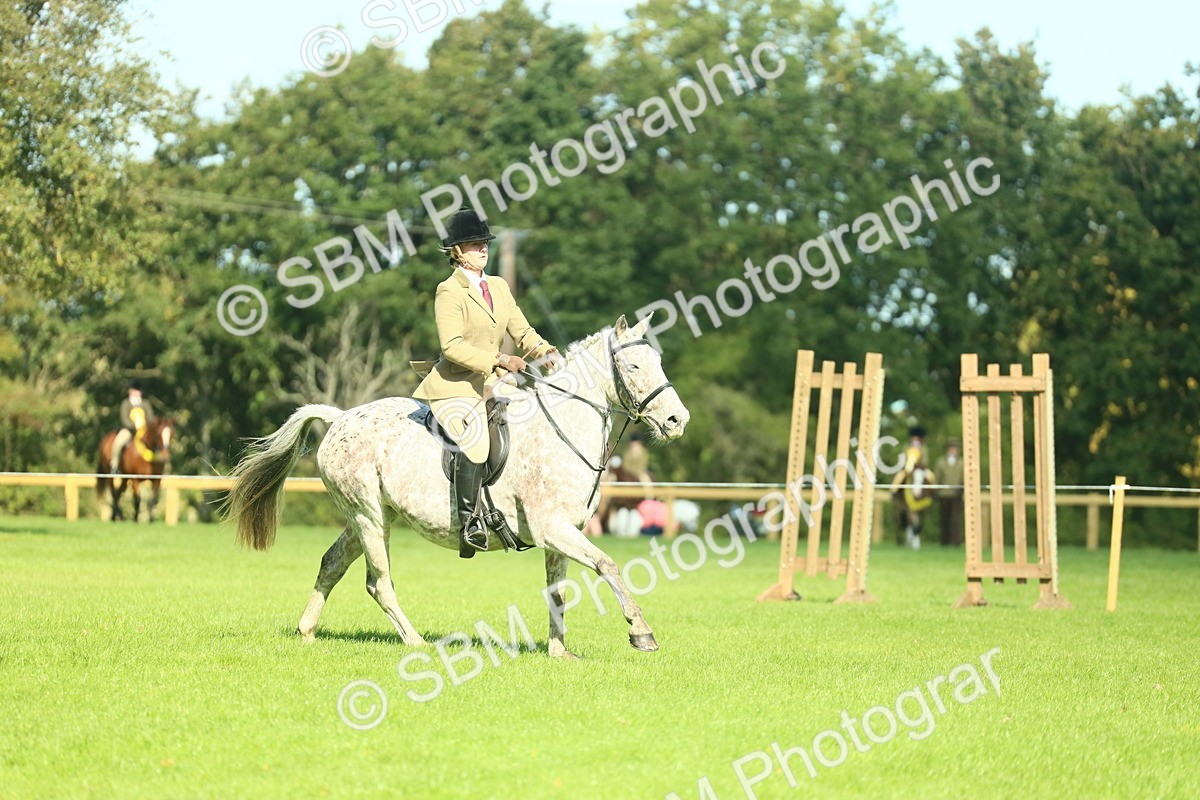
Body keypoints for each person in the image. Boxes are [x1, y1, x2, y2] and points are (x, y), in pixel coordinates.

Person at [411, 208, 561, 558]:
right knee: (476, 442)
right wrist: (498, 359)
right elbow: (452, 346)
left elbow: (521, 329)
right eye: (475, 244)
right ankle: (468, 524)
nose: (483, 248)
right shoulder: (448, 291)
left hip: (492, 383)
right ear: (457, 251)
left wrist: (545, 349)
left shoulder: (498, 286)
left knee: (533, 420)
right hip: (456, 384)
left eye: (484, 243)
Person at [891, 425, 933, 549]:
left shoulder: (924, 448)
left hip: (920, 470)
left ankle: (934, 493)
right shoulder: (906, 447)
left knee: (931, 477)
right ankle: (894, 491)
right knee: (899, 476)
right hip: (908, 470)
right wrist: (908, 466)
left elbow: (926, 460)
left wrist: (920, 466)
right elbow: (903, 460)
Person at [110, 380, 155, 475]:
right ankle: (114, 465)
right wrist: (134, 426)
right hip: (129, 431)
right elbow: (124, 419)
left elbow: (151, 418)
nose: (136, 393)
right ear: (130, 391)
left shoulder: (145, 404)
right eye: (134, 390)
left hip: (144, 431)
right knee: (118, 442)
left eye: (138, 391)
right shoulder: (125, 403)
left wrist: (143, 425)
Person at [935, 437, 964, 546]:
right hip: (944, 495)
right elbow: (937, 478)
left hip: (956, 495)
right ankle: (944, 541)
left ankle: (956, 542)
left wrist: (961, 489)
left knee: (955, 520)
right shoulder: (941, 462)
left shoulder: (962, 463)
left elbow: (964, 478)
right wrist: (936, 491)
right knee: (944, 519)